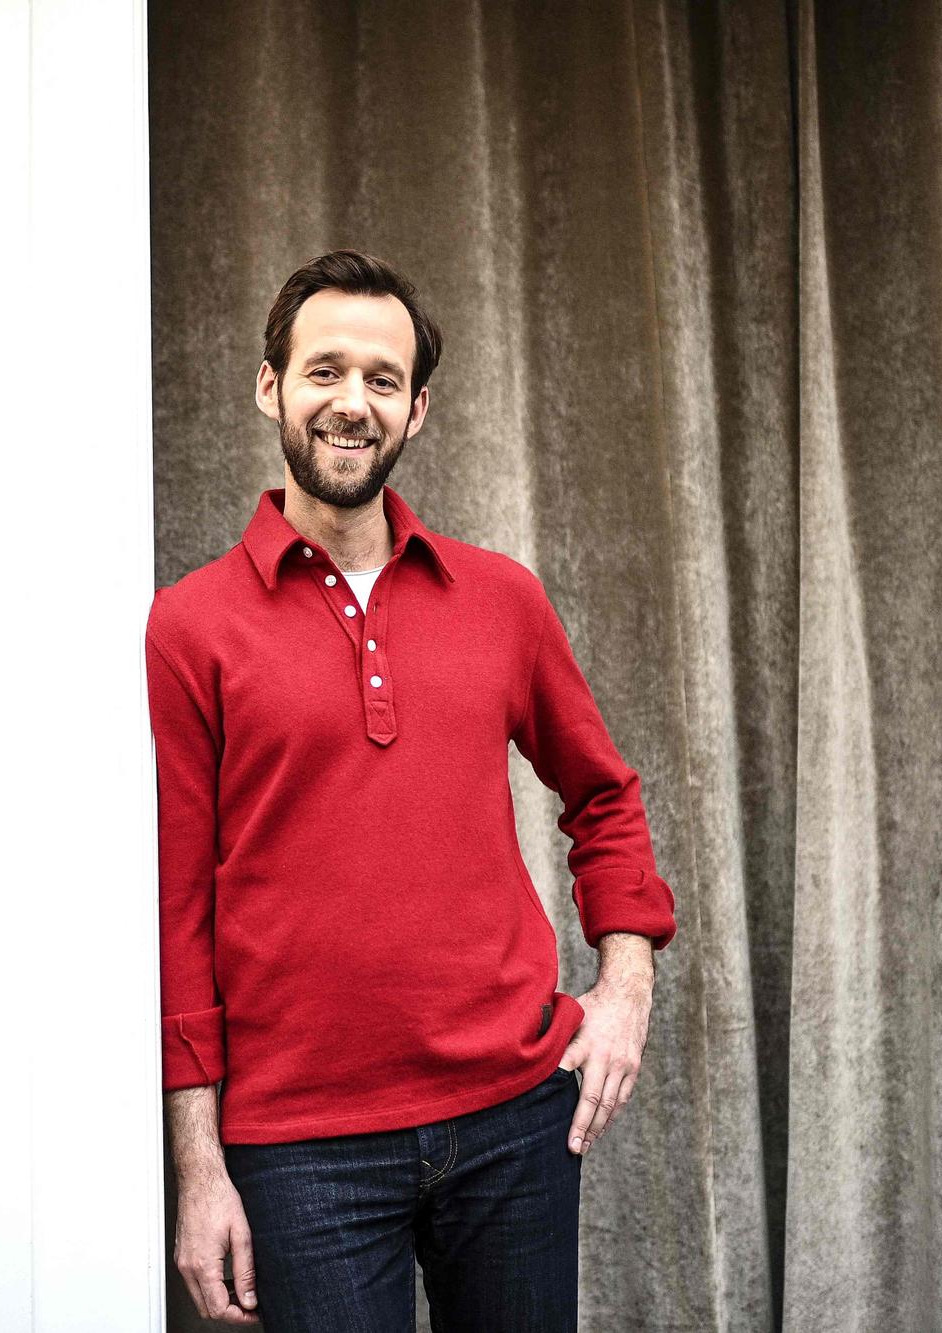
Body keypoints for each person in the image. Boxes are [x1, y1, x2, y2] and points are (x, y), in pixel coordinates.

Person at [146, 249, 677, 1331]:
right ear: (269, 388)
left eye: (381, 380)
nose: (352, 402)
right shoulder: (189, 627)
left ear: (416, 408)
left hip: (513, 1124)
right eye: (323, 371)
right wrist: (199, 1168)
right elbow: (178, 909)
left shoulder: (500, 598)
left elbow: (603, 797)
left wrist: (623, 990)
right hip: (298, 1152)